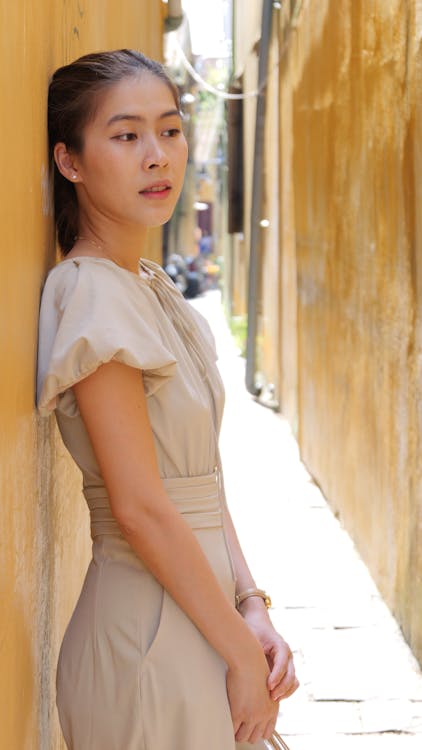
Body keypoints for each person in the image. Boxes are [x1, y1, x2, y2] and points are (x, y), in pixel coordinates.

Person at [37, 49, 298, 750]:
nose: (158, 156)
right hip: (145, 634)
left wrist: (252, 606)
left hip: (202, 613)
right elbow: (142, 506)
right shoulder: (91, 293)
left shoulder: (148, 285)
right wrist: (243, 656)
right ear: (71, 162)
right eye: (126, 136)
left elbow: (198, 483)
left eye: (171, 130)